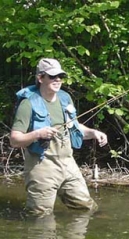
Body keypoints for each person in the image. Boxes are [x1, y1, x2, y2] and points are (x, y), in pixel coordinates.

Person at [10, 58, 108, 216]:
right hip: (42, 167)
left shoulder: (65, 98)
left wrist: (93, 133)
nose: (58, 80)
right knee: (39, 217)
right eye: (52, 76)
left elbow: (74, 127)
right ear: (40, 78)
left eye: (60, 76)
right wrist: (38, 134)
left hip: (68, 164)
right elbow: (14, 140)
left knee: (87, 210)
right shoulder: (27, 104)